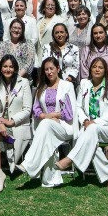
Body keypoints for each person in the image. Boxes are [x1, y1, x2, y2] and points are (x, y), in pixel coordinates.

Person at [57, 57, 108, 190]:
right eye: (94, 67)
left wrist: (95, 122)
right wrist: (85, 120)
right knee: (90, 140)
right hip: (88, 128)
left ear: (105, 70)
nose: (97, 69)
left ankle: (70, 159)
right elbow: (78, 107)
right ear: (90, 69)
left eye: (100, 67)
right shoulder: (84, 84)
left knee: (91, 130)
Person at [21, 58, 77, 188]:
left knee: (46, 124)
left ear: (58, 69)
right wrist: (47, 116)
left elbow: (70, 112)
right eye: (46, 69)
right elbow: (35, 109)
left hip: (64, 126)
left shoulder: (67, 86)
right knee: (46, 128)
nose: (49, 72)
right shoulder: (42, 87)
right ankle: (49, 179)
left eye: (52, 68)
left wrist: (56, 115)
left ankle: (28, 164)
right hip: (46, 127)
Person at [0, 56, 32, 191]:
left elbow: (27, 109)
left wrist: (10, 122)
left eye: (10, 66)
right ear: (0, 68)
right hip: (0, 123)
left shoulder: (24, 82)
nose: (7, 69)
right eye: (5, 66)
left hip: (17, 125)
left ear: (15, 68)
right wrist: (0, 122)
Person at [0, 18, 37, 82]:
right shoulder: (2, 45)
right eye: (14, 27)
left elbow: (29, 62)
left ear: (22, 31)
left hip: (23, 81)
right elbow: (0, 61)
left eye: (19, 28)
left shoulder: (28, 44)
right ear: (10, 29)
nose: (16, 30)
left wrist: (17, 77)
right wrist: (9, 76)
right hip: (6, 80)